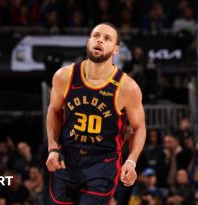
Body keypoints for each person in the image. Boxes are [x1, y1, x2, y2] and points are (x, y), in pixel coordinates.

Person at [45, 22, 146, 205]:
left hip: (103, 161)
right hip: (67, 156)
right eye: (96, 36)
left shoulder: (127, 87)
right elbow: (54, 110)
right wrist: (52, 147)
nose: (100, 40)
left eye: (107, 39)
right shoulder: (64, 76)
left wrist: (131, 161)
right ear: (88, 41)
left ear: (115, 49)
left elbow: (139, 128)